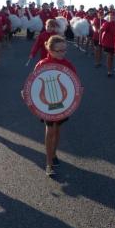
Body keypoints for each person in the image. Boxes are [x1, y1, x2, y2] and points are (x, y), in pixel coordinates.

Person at [34, 35, 77, 177]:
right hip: (46, 104)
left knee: (57, 129)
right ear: (50, 49)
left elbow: (74, 84)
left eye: (64, 50)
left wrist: (79, 90)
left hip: (63, 104)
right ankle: (48, 162)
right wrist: (27, 93)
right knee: (50, 129)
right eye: (58, 51)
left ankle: (53, 153)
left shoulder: (69, 64)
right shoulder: (42, 64)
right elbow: (33, 84)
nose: (62, 53)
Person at [100, 11, 115, 77]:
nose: (112, 18)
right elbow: (102, 29)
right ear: (109, 17)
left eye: (113, 17)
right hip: (108, 42)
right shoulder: (107, 23)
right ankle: (109, 70)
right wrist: (101, 29)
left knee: (112, 56)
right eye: (111, 16)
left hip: (114, 42)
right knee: (109, 56)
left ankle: (110, 68)